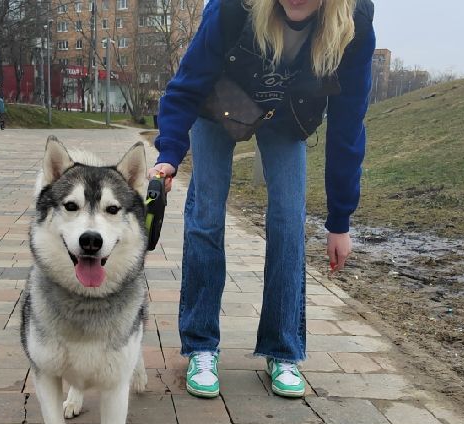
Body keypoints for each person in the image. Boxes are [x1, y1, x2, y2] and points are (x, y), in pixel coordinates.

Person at [147, 0, 375, 399]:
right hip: (217, 103)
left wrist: (340, 221)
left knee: (288, 221)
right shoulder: (234, 8)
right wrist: (169, 154)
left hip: (286, 115)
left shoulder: (352, 24)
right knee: (207, 215)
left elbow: (347, 126)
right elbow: (187, 84)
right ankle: (201, 345)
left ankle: (282, 349)